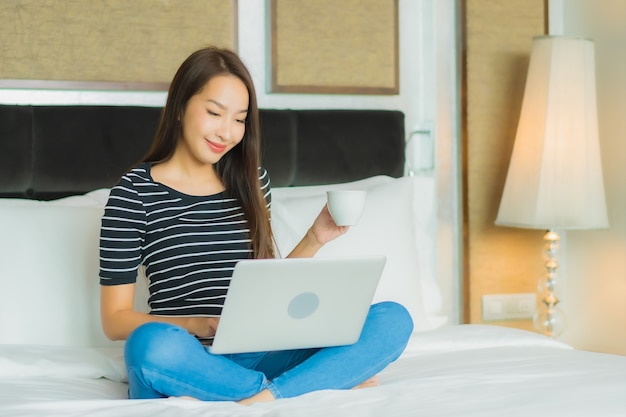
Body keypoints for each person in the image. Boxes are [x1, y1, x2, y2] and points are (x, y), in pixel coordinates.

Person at [99, 46, 413, 405]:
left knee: (393, 319)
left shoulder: (251, 180)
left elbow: (267, 294)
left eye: (239, 119)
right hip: (190, 355)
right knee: (149, 346)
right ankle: (306, 386)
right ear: (180, 106)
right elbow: (114, 320)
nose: (227, 132)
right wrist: (199, 324)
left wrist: (314, 238)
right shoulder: (133, 193)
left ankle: (263, 397)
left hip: (260, 351)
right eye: (215, 112)